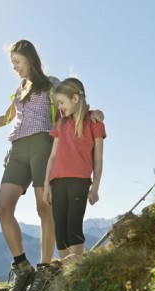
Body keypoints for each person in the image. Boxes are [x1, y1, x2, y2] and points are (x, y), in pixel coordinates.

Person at [0, 40, 103, 291]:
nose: (15, 68)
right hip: (17, 149)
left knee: (44, 207)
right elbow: (7, 118)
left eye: (17, 62)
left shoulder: (51, 83)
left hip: (43, 143)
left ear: (29, 58)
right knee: (3, 208)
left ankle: (44, 268)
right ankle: (22, 267)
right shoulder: (19, 90)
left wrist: (92, 111)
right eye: (12, 64)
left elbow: (72, 101)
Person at [43, 78, 106, 265]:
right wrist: (46, 184)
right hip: (57, 182)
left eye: (62, 102)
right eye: (57, 103)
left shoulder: (94, 122)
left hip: (79, 181)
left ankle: (76, 271)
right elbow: (52, 157)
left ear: (76, 98)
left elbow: (98, 158)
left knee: (73, 228)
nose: (59, 107)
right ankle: (67, 273)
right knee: (60, 230)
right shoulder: (61, 124)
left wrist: (95, 187)